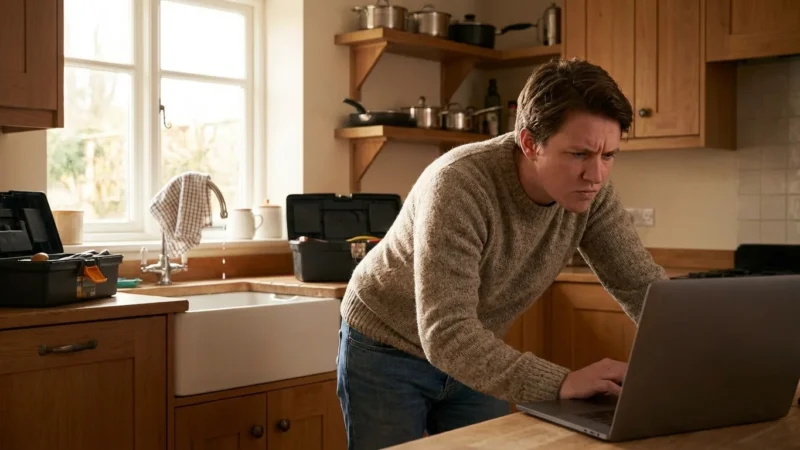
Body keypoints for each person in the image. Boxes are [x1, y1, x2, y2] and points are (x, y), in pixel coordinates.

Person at [335, 58, 668, 450]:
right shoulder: (459, 185)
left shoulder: (592, 195)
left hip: (476, 349)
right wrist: (560, 382)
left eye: (608, 156)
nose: (595, 175)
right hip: (386, 345)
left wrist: (710, 355)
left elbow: (640, 285)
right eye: (579, 155)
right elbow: (445, 333)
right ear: (529, 143)